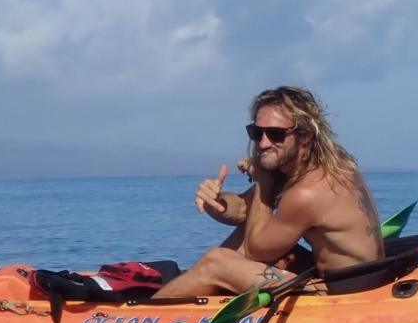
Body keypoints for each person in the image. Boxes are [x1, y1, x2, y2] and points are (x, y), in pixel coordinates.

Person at [152, 86, 384, 299]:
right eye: (256, 132)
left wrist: (263, 178)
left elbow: (256, 251)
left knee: (216, 262)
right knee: (247, 233)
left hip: (344, 293)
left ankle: (145, 313)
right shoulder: (324, 166)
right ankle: (193, 284)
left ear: (304, 136)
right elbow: (245, 208)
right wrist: (217, 202)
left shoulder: (308, 192)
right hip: (351, 277)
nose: (263, 143)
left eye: (275, 134)